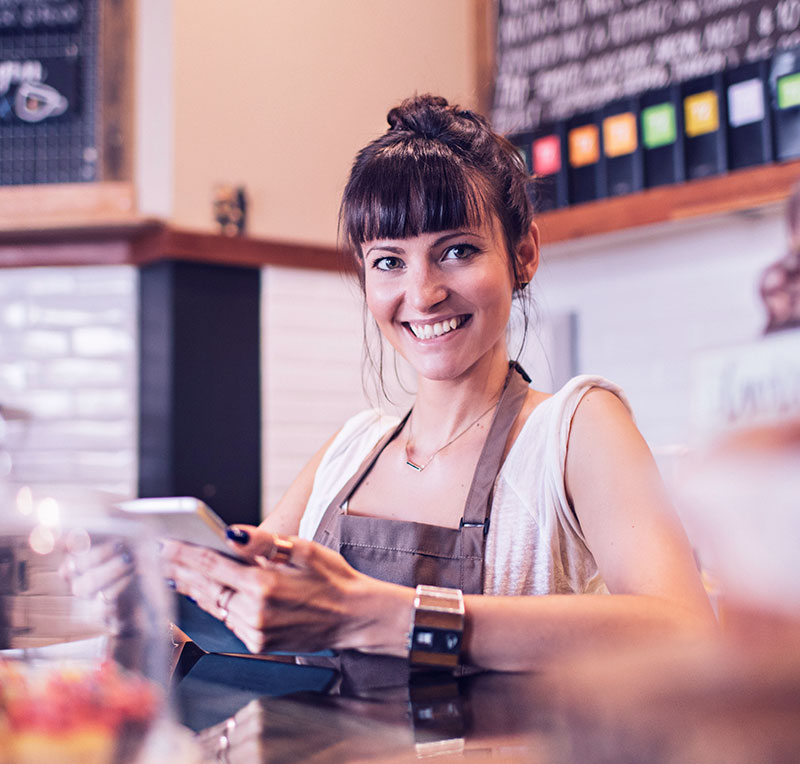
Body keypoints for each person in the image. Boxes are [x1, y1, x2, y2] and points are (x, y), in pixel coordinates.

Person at [163, 95, 715, 674]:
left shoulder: (576, 429)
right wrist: (143, 612)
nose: (423, 293)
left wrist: (378, 615)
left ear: (522, 254)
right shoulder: (352, 448)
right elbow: (245, 625)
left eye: (456, 251)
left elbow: (686, 634)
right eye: (388, 261)